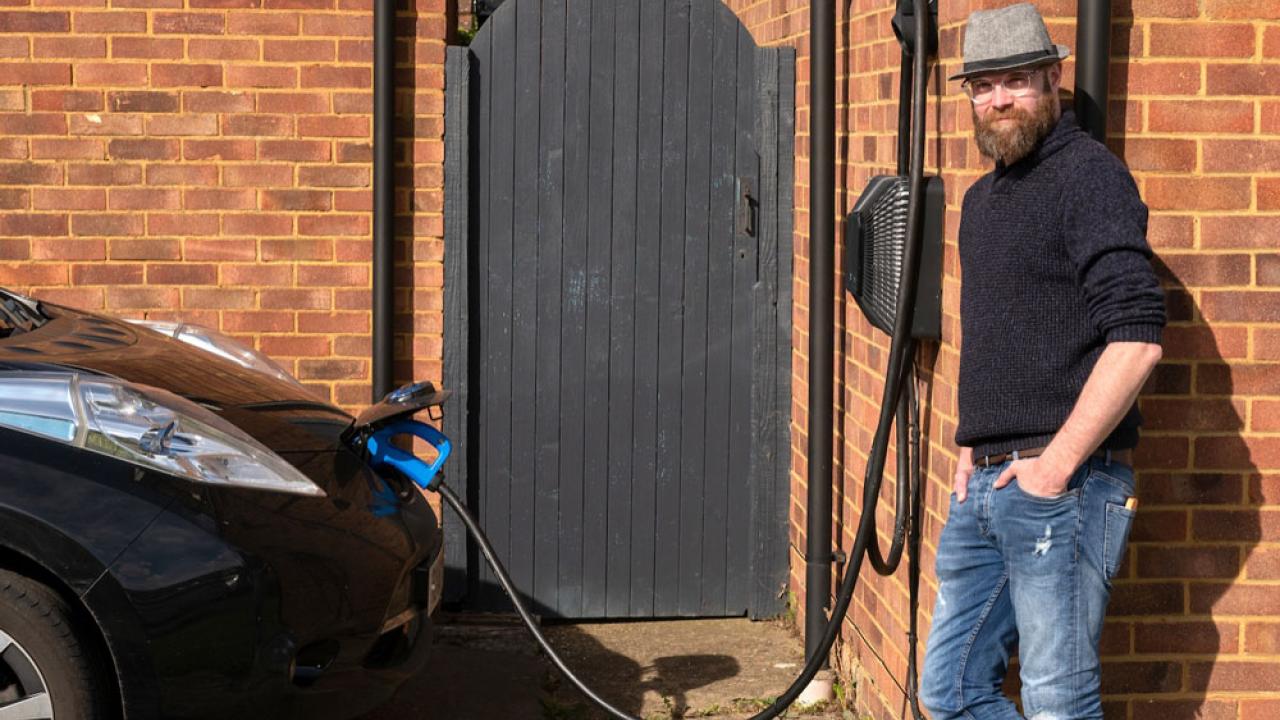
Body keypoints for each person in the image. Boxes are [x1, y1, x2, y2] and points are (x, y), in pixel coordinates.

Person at [918, 4, 1166, 719]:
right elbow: (997, 334)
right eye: (982, 85)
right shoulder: (981, 201)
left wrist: (1054, 468)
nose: (998, 100)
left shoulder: (1089, 178)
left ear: (1053, 79)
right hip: (987, 485)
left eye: (1017, 81)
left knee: (1059, 702)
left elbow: (1138, 336)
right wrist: (971, 446)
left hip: (1065, 488)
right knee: (950, 693)